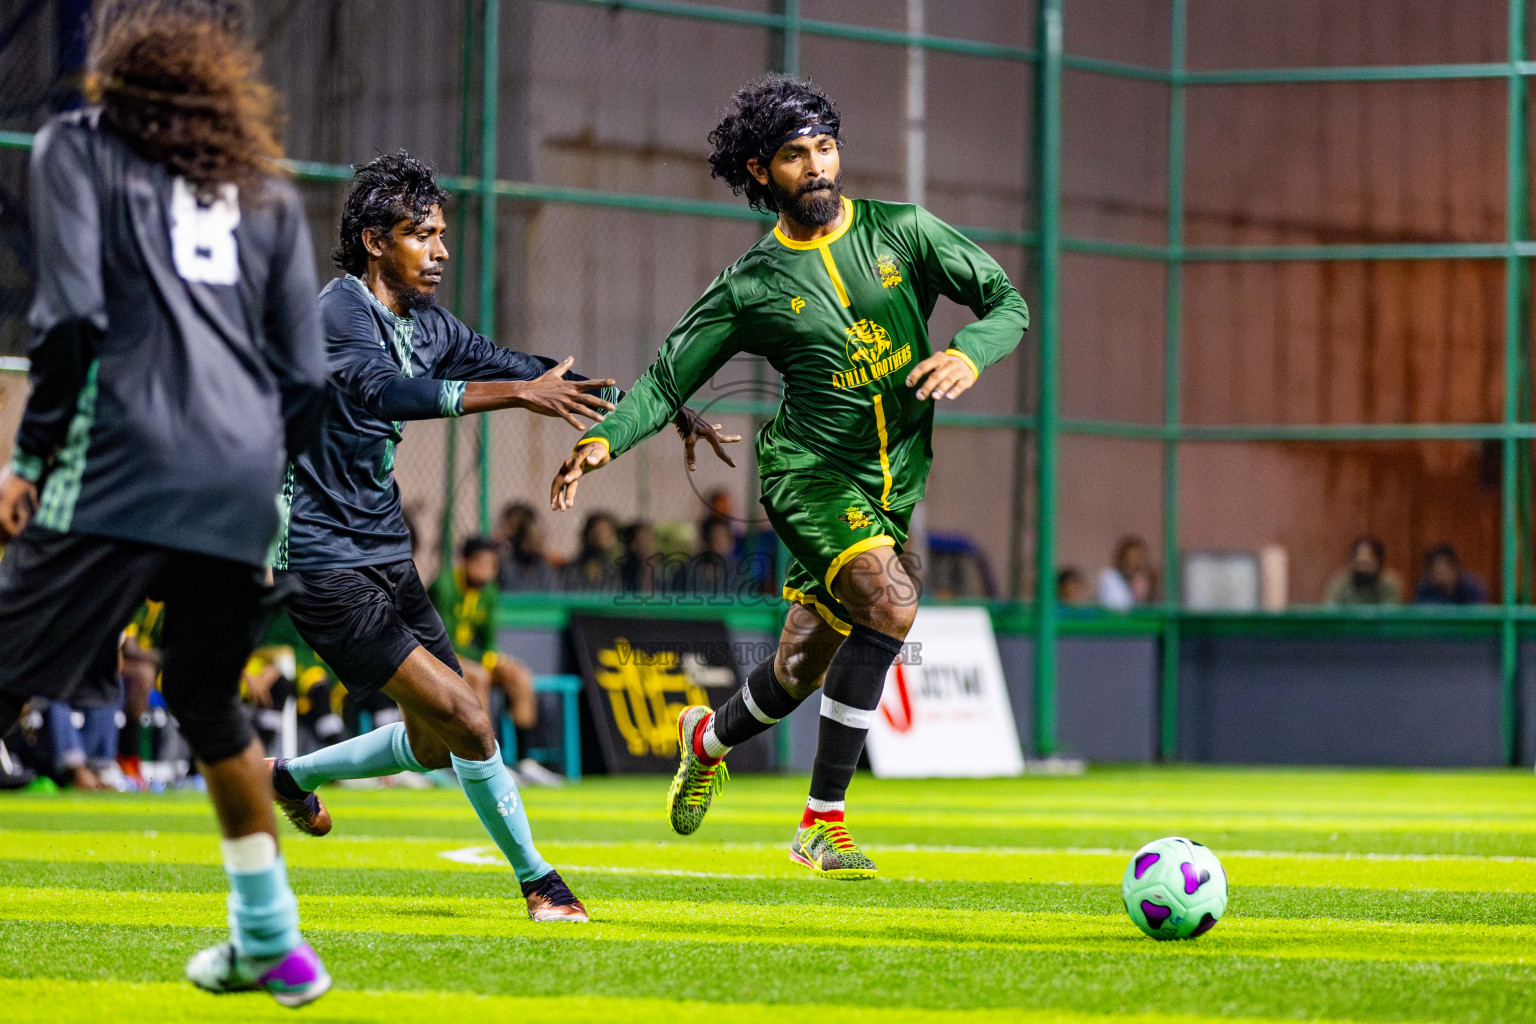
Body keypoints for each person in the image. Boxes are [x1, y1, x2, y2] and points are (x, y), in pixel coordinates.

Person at [550, 74, 1027, 879]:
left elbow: (1006, 302)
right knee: (893, 600)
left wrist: (967, 353)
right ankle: (821, 822)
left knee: (801, 665)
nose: (816, 166)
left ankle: (705, 742)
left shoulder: (904, 232)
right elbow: (668, 381)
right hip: (809, 474)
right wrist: (606, 440)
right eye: (795, 155)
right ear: (758, 171)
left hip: (893, 481)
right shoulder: (753, 285)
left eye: (825, 147)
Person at [264, 152, 735, 922]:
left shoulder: (430, 324)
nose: (442, 250)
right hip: (322, 561)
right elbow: (387, 391)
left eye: (443, 234)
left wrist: (660, 407)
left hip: (385, 551)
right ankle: (539, 882)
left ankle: (292, 776)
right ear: (375, 240)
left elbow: (528, 368)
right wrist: (514, 395)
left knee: (436, 739)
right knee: (473, 719)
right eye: (423, 234)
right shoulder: (338, 313)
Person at [0, 4, 330, 1004]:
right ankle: (271, 938)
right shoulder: (268, 193)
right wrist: (261, 481)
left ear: (117, 84)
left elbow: (70, 317)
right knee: (204, 698)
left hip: (118, 456)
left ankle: (271, 939)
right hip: (242, 477)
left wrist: (27, 455)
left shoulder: (77, 147)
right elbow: (307, 376)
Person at [430, 536, 562, 786]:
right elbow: (441, 640)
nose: (487, 570)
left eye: (492, 565)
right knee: (478, 677)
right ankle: (485, 760)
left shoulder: (489, 591)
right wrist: (482, 660)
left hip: (470, 659)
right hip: (438, 658)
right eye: (480, 563)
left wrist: (490, 657)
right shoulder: (445, 586)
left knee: (519, 676)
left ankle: (526, 761)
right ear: (465, 562)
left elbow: (488, 639)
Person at [1326, 535, 1402, 605]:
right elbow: (1331, 612)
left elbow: (1390, 614)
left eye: (1368, 564)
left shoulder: (1388, 584)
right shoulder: (1341, 583)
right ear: (1352, 562)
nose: (1364, 569)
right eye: (1360, 563)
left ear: (1379, 563)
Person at [561, 511, 621, 591]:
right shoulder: (571, 570)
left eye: (607, 533)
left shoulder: (612, 573)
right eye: (598, 531)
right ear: (587, 534)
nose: (601, 536)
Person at [1414, 544, 1487, 605]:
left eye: (1443, 569)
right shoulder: (1425, 588)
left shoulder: (1472, 588)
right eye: (1434, 570)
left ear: (1455, 568)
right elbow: (1419, 615)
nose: (1439, 574)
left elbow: (1479, 615)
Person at [1097, 535, 1155, 610]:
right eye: (1131, 555)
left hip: (1134, 619)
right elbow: (1112, 604)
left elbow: (1144, 605)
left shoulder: (1141, 580)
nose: (1135, 560)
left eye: (1138, 556)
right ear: (1123, 556)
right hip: (1112, 619)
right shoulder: (1109, 576)